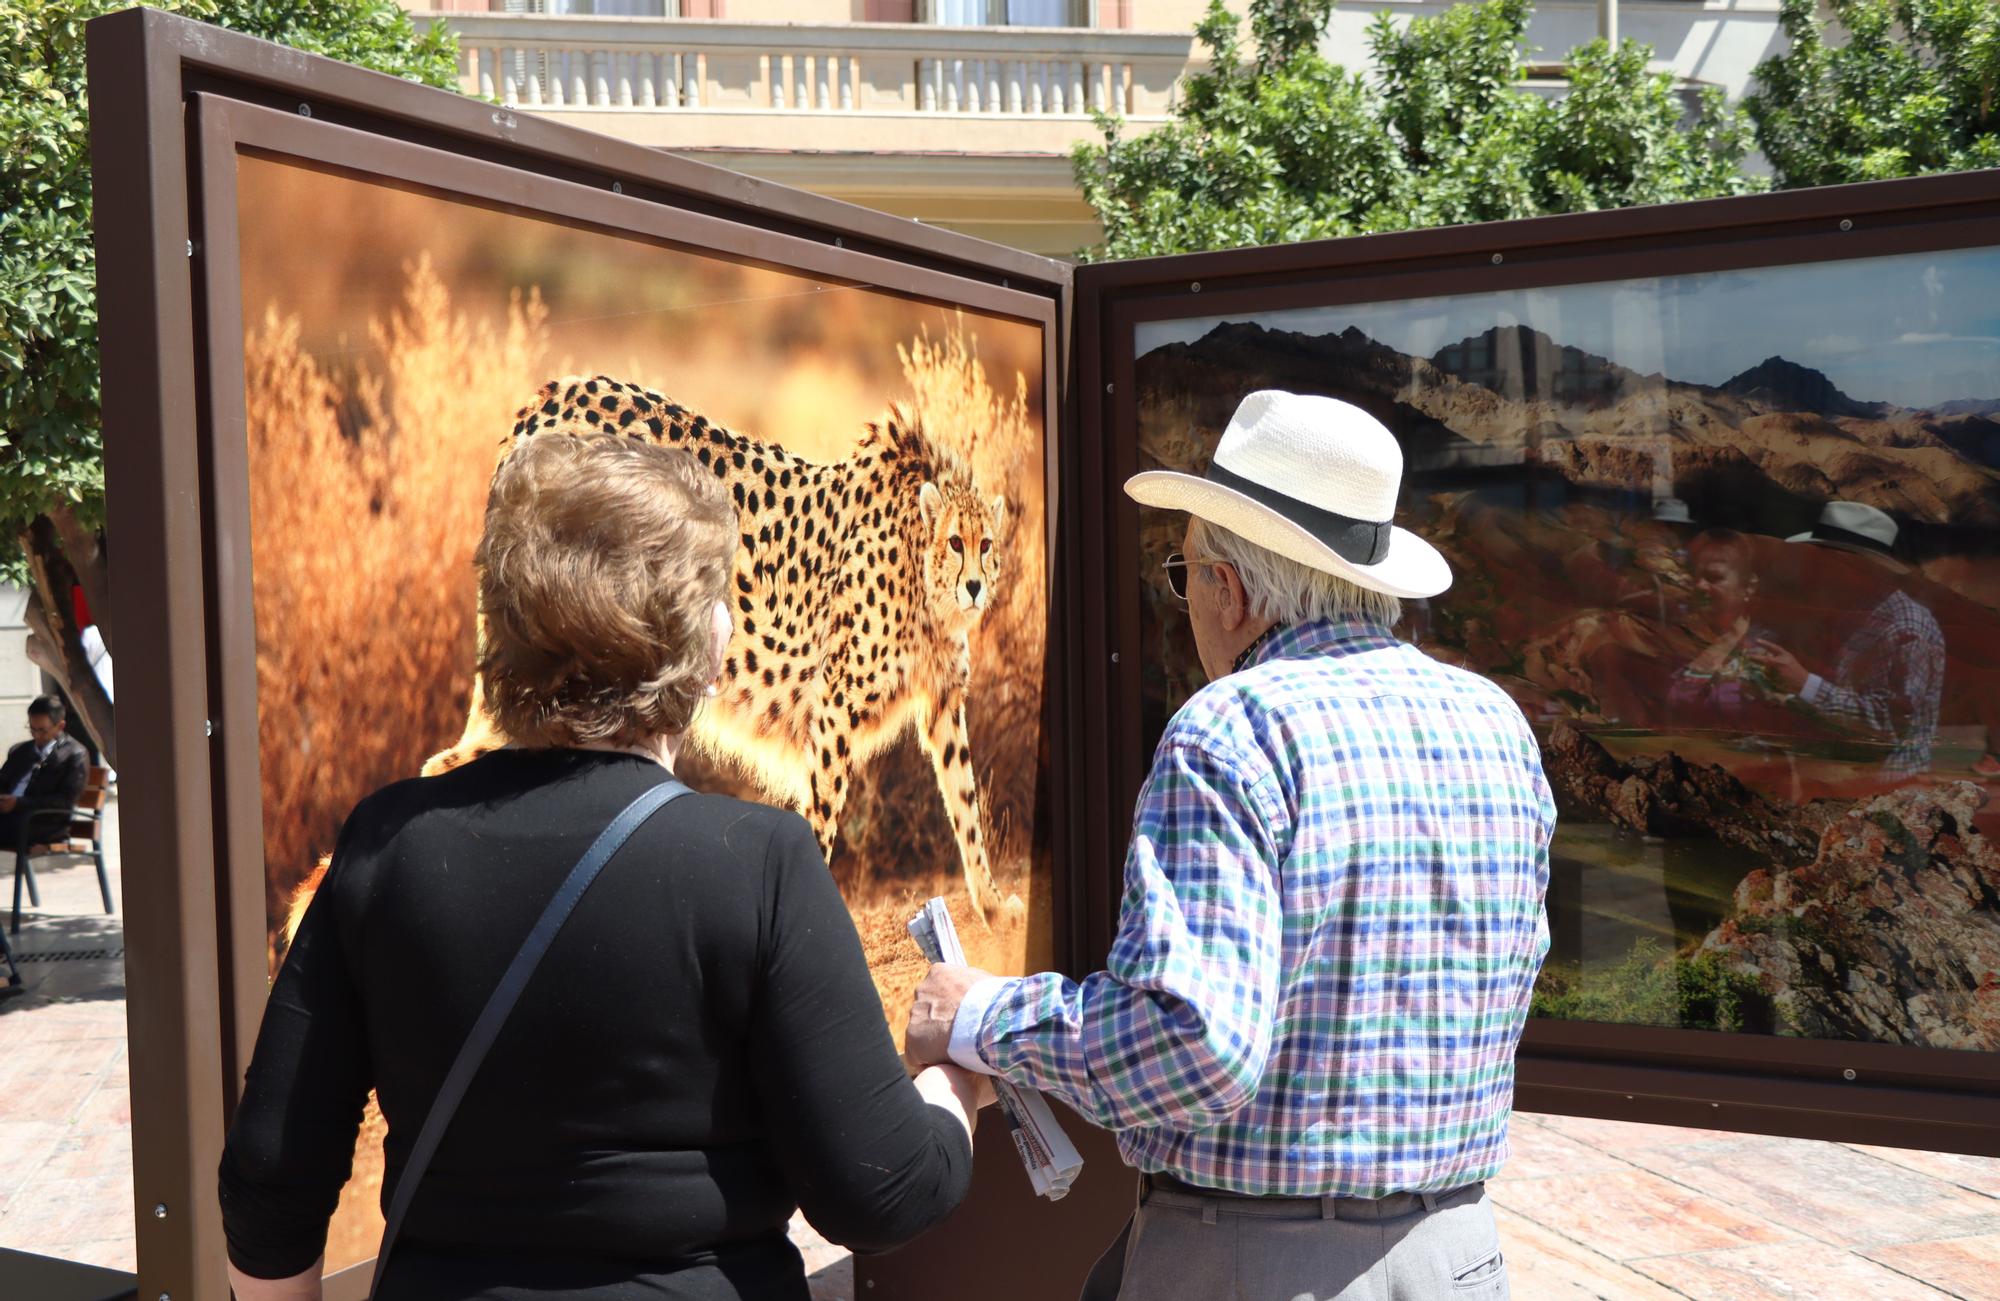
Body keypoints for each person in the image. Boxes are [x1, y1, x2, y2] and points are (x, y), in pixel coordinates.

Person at [218, 434, 989, 1301]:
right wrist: (949, 1083)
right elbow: (880, 1188)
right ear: (698, 643)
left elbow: (268, 1181)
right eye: (718, 595)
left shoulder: (384, 846)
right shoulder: (760, 864)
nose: (732, 618)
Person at [907, 390, 1554, 1300]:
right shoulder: (1496, 723)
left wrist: (980, 1016)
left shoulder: (1231, 728)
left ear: (1232, 588)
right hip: (1458, 1253)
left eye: (1185, 574)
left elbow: (1194, 1047)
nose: (1186, 602)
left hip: (1260, 1263)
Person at [1745, 501, 1944, 779]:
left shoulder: (1906, 627)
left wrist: (1804, 684)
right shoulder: (1845, 608)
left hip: (1885, 783)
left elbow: (1894, 722)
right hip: (1833, 772)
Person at [0, 695, 91, 860]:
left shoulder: (75, 754)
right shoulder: (20, 751)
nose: (36, 735)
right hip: (12, 818)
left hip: (44, 822)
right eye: (32, 728)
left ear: (60, 726)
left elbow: (65, 801)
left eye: (42, 730)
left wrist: (18, 804)